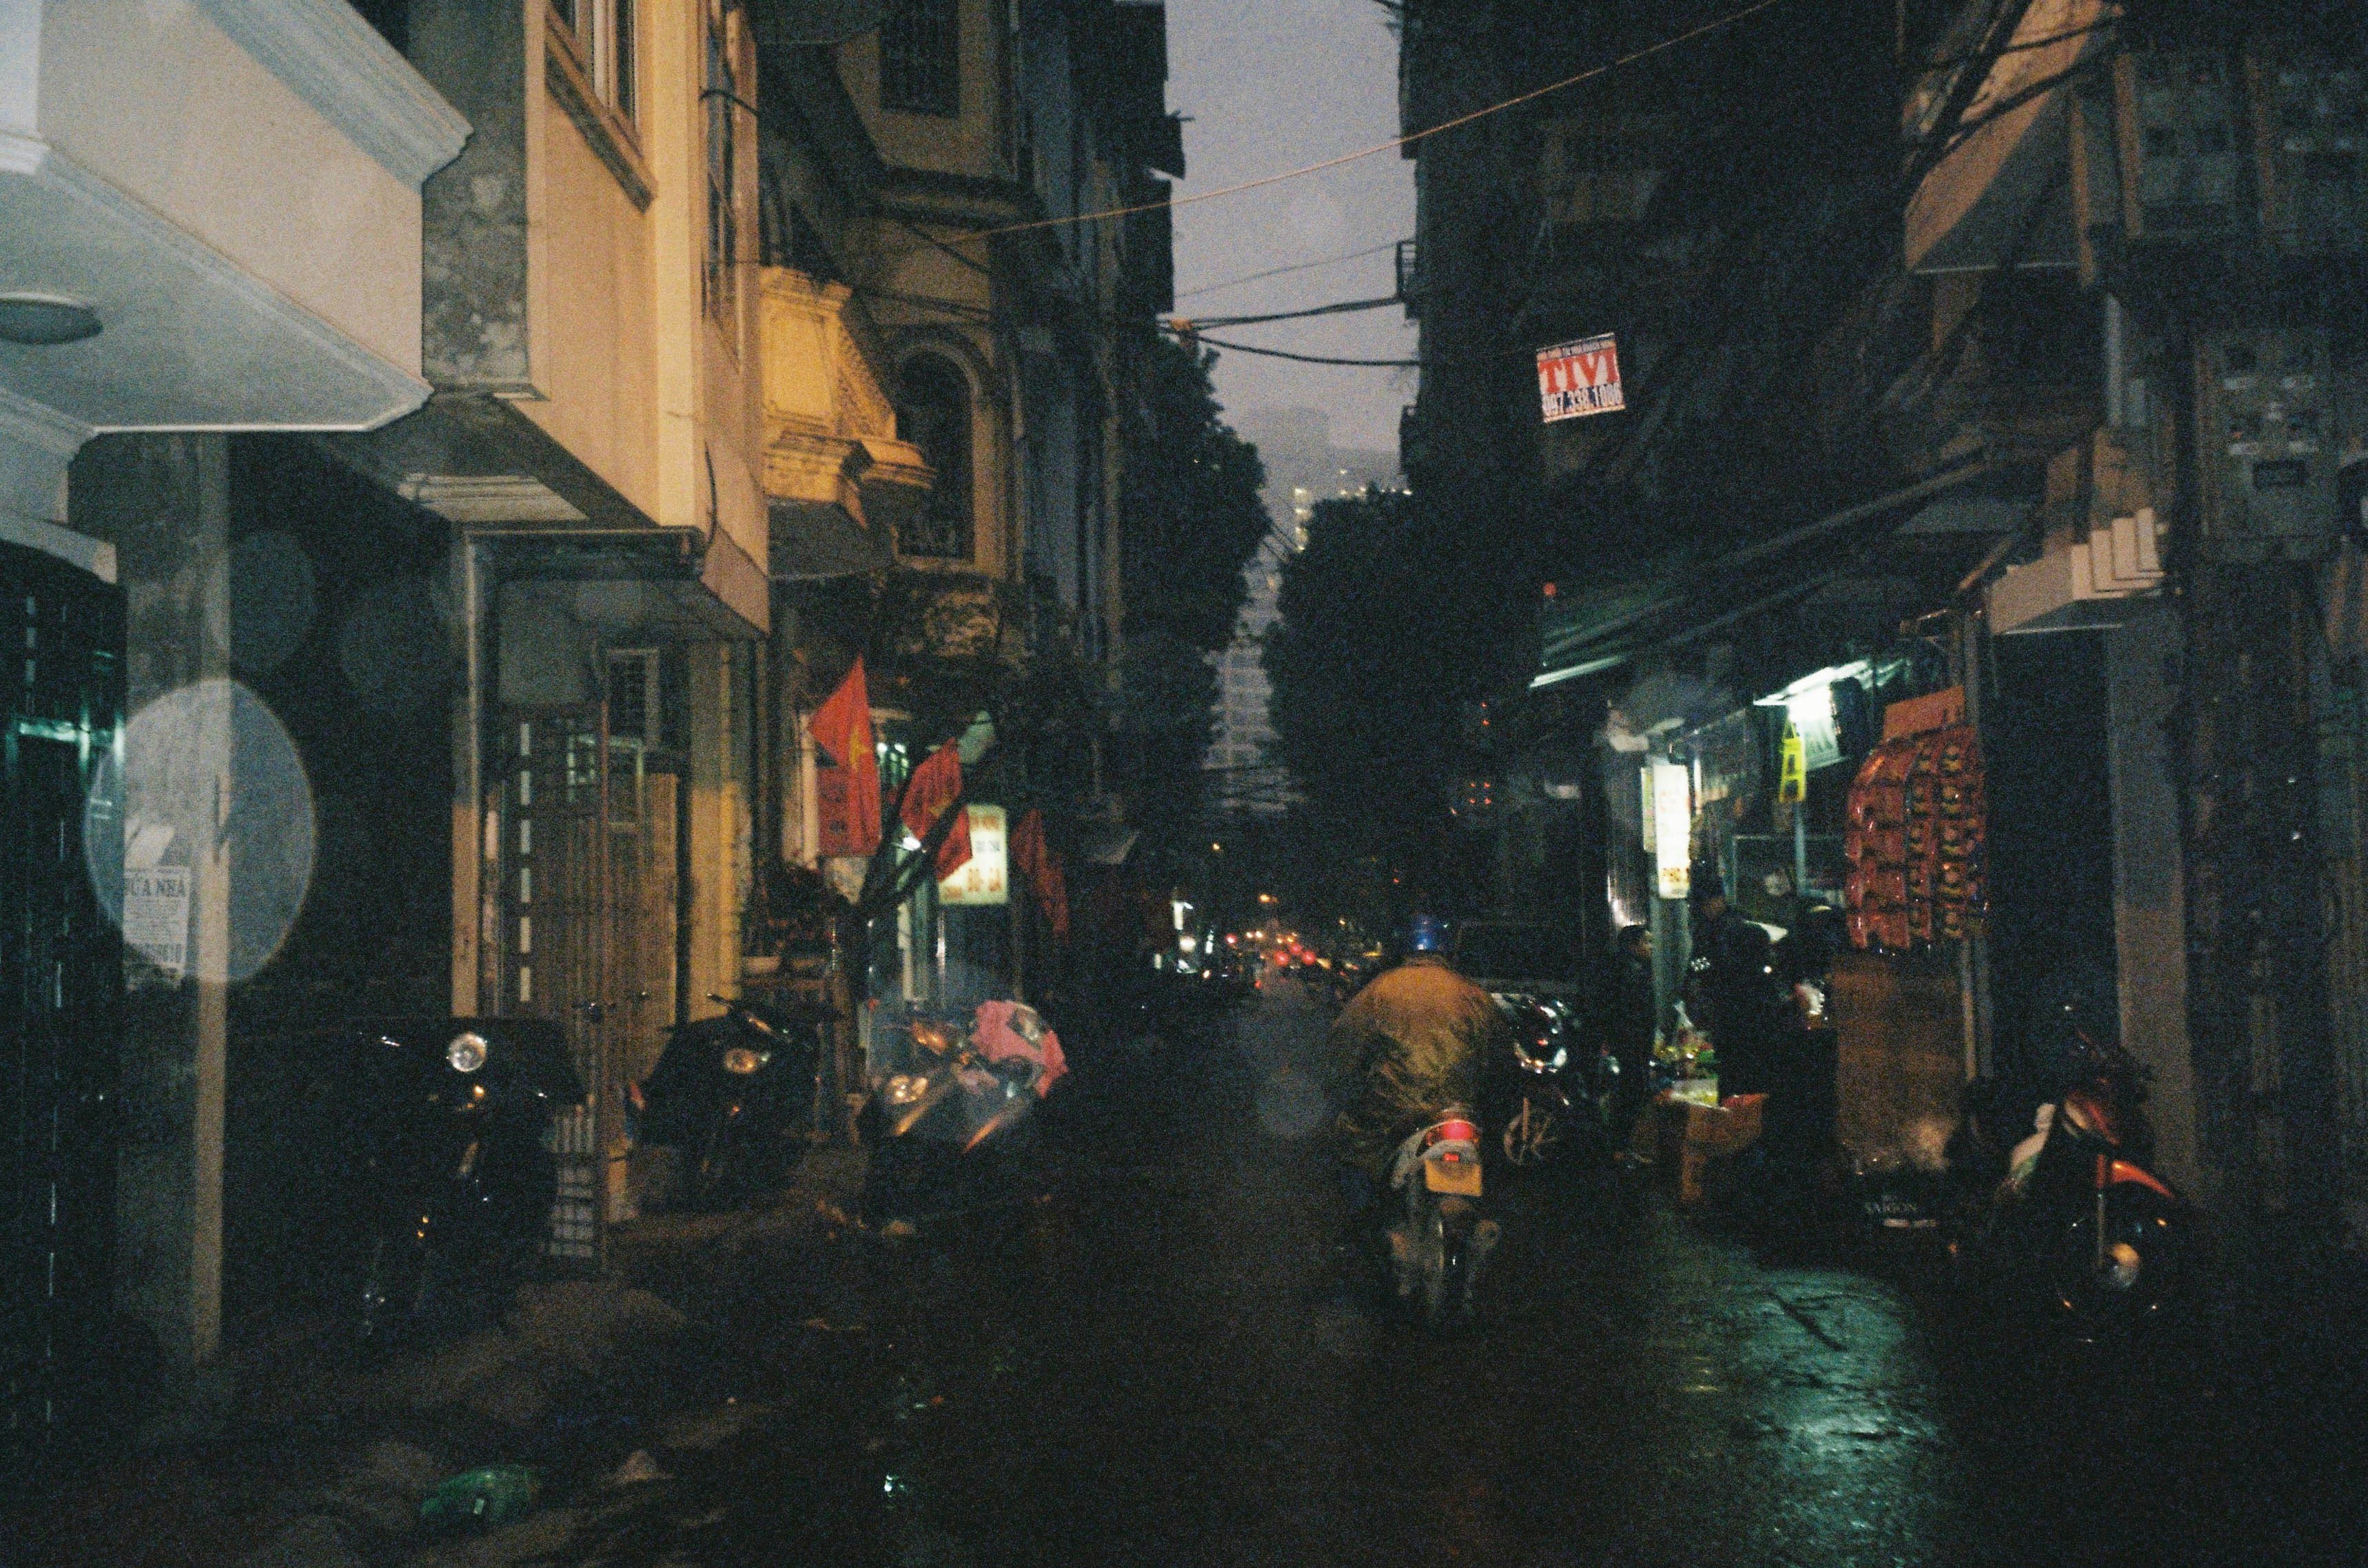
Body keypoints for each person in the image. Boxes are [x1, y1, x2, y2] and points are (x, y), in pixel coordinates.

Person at [1325, 913, 1511, 1201]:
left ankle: (1359, 1229)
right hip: (1461, 1111)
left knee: (1352, 1146)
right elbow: (1501, 1055)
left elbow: (1344, 1047)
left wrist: (1339, 1084)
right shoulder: (1473, 993)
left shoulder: (1379, 991)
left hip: (1396, 1111)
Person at [1686, 873, 1782, 1098]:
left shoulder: (1725, 932)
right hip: (1745, 1022)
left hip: (1733, 1020)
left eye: (1708, 903)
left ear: (1720, 900)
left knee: (1736, 1082)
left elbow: (1701, 969)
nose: (1705, 909)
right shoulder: (1720, 929)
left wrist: (1703, 983)